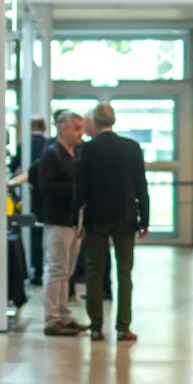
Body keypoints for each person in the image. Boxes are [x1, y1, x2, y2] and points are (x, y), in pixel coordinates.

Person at [72, 102, 149, 342]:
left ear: (94, 122)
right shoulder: (132, 148)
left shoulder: (89, 150)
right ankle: (123, 327)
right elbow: (141, 186)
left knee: (95, 271)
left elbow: (80, 188)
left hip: (97, 219)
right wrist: (144, 218)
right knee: (125, 273)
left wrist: (77, 220)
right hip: (126, 218)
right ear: (113, 120)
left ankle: (96, 326)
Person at [37, 111, 87, 336]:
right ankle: (52, 319)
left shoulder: (76, 153)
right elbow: (45, 187)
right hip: (58, 221)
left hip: (74, 220)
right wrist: (77, 190)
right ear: (64, 129)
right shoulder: (51, 154)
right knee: (56, 269)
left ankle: (64, 315)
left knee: (67, 271)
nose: (81, 132)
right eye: (77, 128)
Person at [26, 115, 50, 285]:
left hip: (33, 198)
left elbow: (12, 167)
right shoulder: (50, 146)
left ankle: (37, 273)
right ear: (44, 128)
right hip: (50, 198)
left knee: (35, 234)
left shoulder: (24, 146)